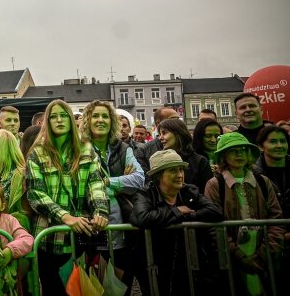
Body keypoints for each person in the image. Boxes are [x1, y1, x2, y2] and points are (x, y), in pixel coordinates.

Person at [26, 99, 109, 296]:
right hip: (48, 237)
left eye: (63, 115)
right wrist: (65, 217)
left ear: (71, 120)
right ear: (47, 121)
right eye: (53, 116)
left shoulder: (86, 149)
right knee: (52, 289)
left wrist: (100, 211)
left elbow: (96, 184)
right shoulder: (37, 153)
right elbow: (35, 193)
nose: (59, 120)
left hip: (80, 238)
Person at [130, 149, 223, 296]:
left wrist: (186, 218)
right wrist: (178, 211)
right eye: (173, 171)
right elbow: (142, 217)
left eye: (181, 169)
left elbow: (215, 211)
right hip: (155, 264)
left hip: (189, 262)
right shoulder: (146, 193)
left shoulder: (189, 191)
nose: (180, 175)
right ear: (158, 175)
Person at [204, 133, 284, 296]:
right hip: (232, 260)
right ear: (224, 156)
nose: (239, 154)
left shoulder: (262, 181)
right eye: (233, 150)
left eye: (243, 150)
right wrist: (239, 256)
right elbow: (215, 227)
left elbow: (276, 218)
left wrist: (264, 253)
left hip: (263, 257)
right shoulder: (215, 185)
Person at [80, 100, 145, 289]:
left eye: (105, 116)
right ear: (88, 121)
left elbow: (139, 179)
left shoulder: (124, 149)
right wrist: (123, 182)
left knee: (119, 286)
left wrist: (109, 182)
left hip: (120, 229)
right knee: (93, 286)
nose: (100, 120)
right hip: (91, 228)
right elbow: (80, 185)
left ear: (112, 122)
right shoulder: (79, 149)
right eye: (96, 116)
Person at [254, 125, 290, 277]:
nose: (279, 146)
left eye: (283, 141)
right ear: (261, 147)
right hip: (268, 245)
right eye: (273, 141)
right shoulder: (253, 176)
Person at [157, 118, 213, 192]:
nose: (160, 138)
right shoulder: (160, 160)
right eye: (160, 134)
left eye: (164, 133)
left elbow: (206, 192)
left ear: (178, 134)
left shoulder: (200, 162)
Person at [134, 106, 179, 172]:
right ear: (158, 124)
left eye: (178, 119)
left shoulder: (187, 146)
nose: (178, 123)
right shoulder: (144, 150)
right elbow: (144, 177)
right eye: (173, 119)